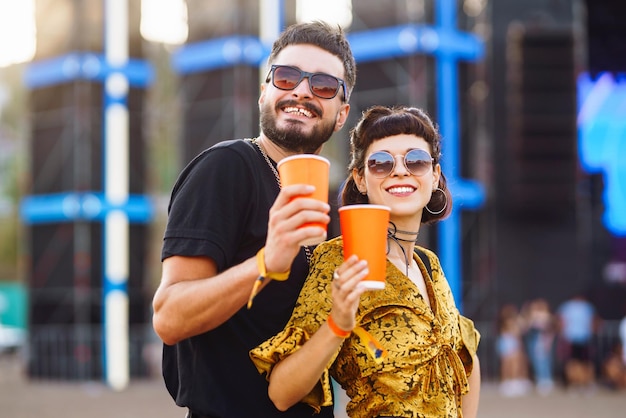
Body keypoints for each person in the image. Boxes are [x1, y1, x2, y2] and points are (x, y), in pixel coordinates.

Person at [151, 21, 356, 418]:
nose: (301, 91)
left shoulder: (333, 201)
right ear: (265, 91)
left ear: (342, 113)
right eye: (286, 76)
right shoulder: (226, 168)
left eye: (324, 85)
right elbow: (169, 317)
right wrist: (266, 264)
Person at [250, 105, 481, 418]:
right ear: (360, 178)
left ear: (435, 174)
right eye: (381, 163)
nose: (400, 171)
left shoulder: (429, 265)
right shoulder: (341, 259)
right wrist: (337, 326)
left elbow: (465, 358)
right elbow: (281, 393)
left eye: (416, 161)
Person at [556, 293, 599, 393]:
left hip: (579, 337)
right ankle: (577, 383)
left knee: (580, 362)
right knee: (578, 362)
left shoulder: (571, 306)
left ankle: (581, 383)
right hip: (574, 337)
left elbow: (561, 321)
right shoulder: (585, 306)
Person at [522, 298, 556, 395]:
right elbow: (525, 327)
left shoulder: (545, 316)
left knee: (543, 361)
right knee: (536, 360)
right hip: (535, 341)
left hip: (542, 342)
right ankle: (541, 378)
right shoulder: (531, 316)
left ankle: (545, 379)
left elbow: (549, 326)